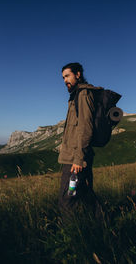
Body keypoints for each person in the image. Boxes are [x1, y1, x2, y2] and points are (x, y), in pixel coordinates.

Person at [58, 62, 99, 216]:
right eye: (63, 78)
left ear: (78, 74)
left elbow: (85, 127)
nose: (65, 80)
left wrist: (78, 159)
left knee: (66, 201)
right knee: (87, 196)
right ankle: (103, 227)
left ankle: (71, 236)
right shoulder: (76, 96)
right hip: (78, 157)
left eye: (67, 76)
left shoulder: (83, 94)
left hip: (75, 160)